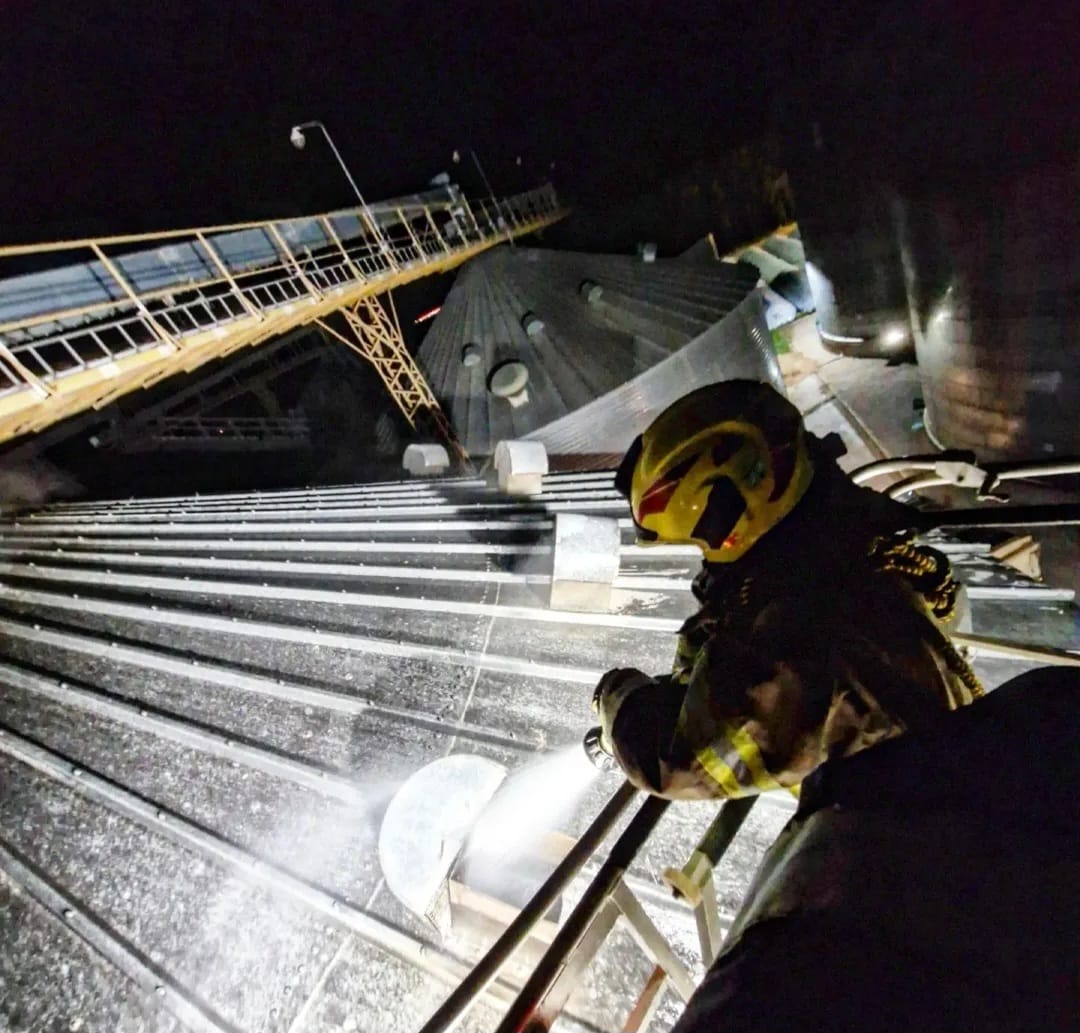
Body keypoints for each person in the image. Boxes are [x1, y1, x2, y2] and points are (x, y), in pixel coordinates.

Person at [590, 378, 983, 799]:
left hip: (907, 836)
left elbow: (680, 763)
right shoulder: (853, 547)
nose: (706, 559)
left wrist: (618, 697)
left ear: (730, 519)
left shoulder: (802, 633)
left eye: (702, 540)